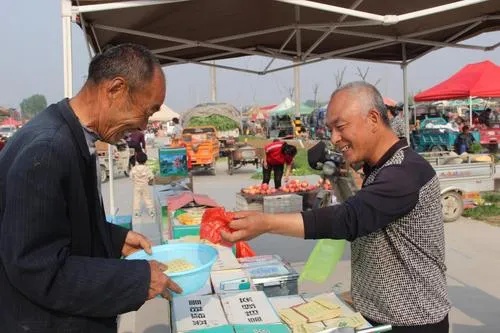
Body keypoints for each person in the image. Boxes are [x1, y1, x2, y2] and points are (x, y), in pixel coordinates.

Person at [222, 81, 450, 333]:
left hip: (413, 321)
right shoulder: (380, 167)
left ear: (373, 118)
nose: (334, 138)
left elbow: (350, 218)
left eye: (340, 127)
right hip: (377, 313)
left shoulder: (405, 173)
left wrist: (267, 222)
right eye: (330, 129)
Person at [0, 43, 182, 333]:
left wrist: (112, 238)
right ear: (115, 90)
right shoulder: (47, 149)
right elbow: (37, 269)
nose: (143, 127)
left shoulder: (70, 134)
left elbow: (57, 225)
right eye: (146, 112)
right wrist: (135, 279)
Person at [131, 152, 155, 217]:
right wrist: (150, 181)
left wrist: (135, 180)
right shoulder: (146, 168)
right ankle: (151, 211)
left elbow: (131, 176)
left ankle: (136, 213)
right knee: (147, 198)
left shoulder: (134, 168)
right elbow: (151, 176)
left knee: (136, 198)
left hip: (137, 186)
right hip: (145, 186)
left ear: (137, 160)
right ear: (145, 160)